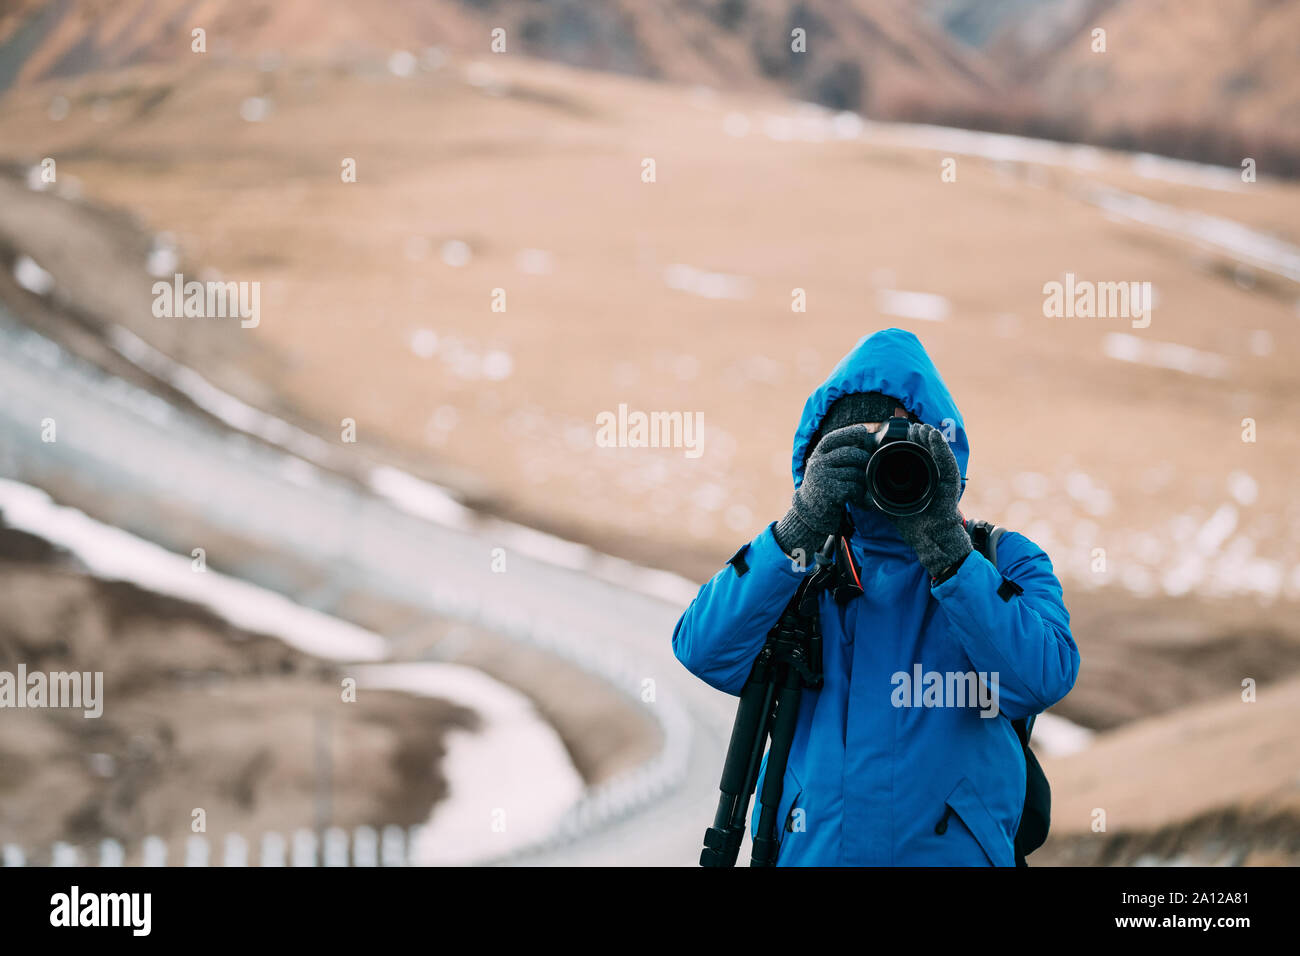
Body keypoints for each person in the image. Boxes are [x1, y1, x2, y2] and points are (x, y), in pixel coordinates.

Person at [672, 328, 1079, 866]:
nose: (879, 470)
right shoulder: (799, 566)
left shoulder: (999, 559)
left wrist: (950, 555)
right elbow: (702, 650)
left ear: (940, 453)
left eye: (899, 451)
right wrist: (799, 527)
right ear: (821, 458)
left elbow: (1041, 679)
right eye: (855, 450)